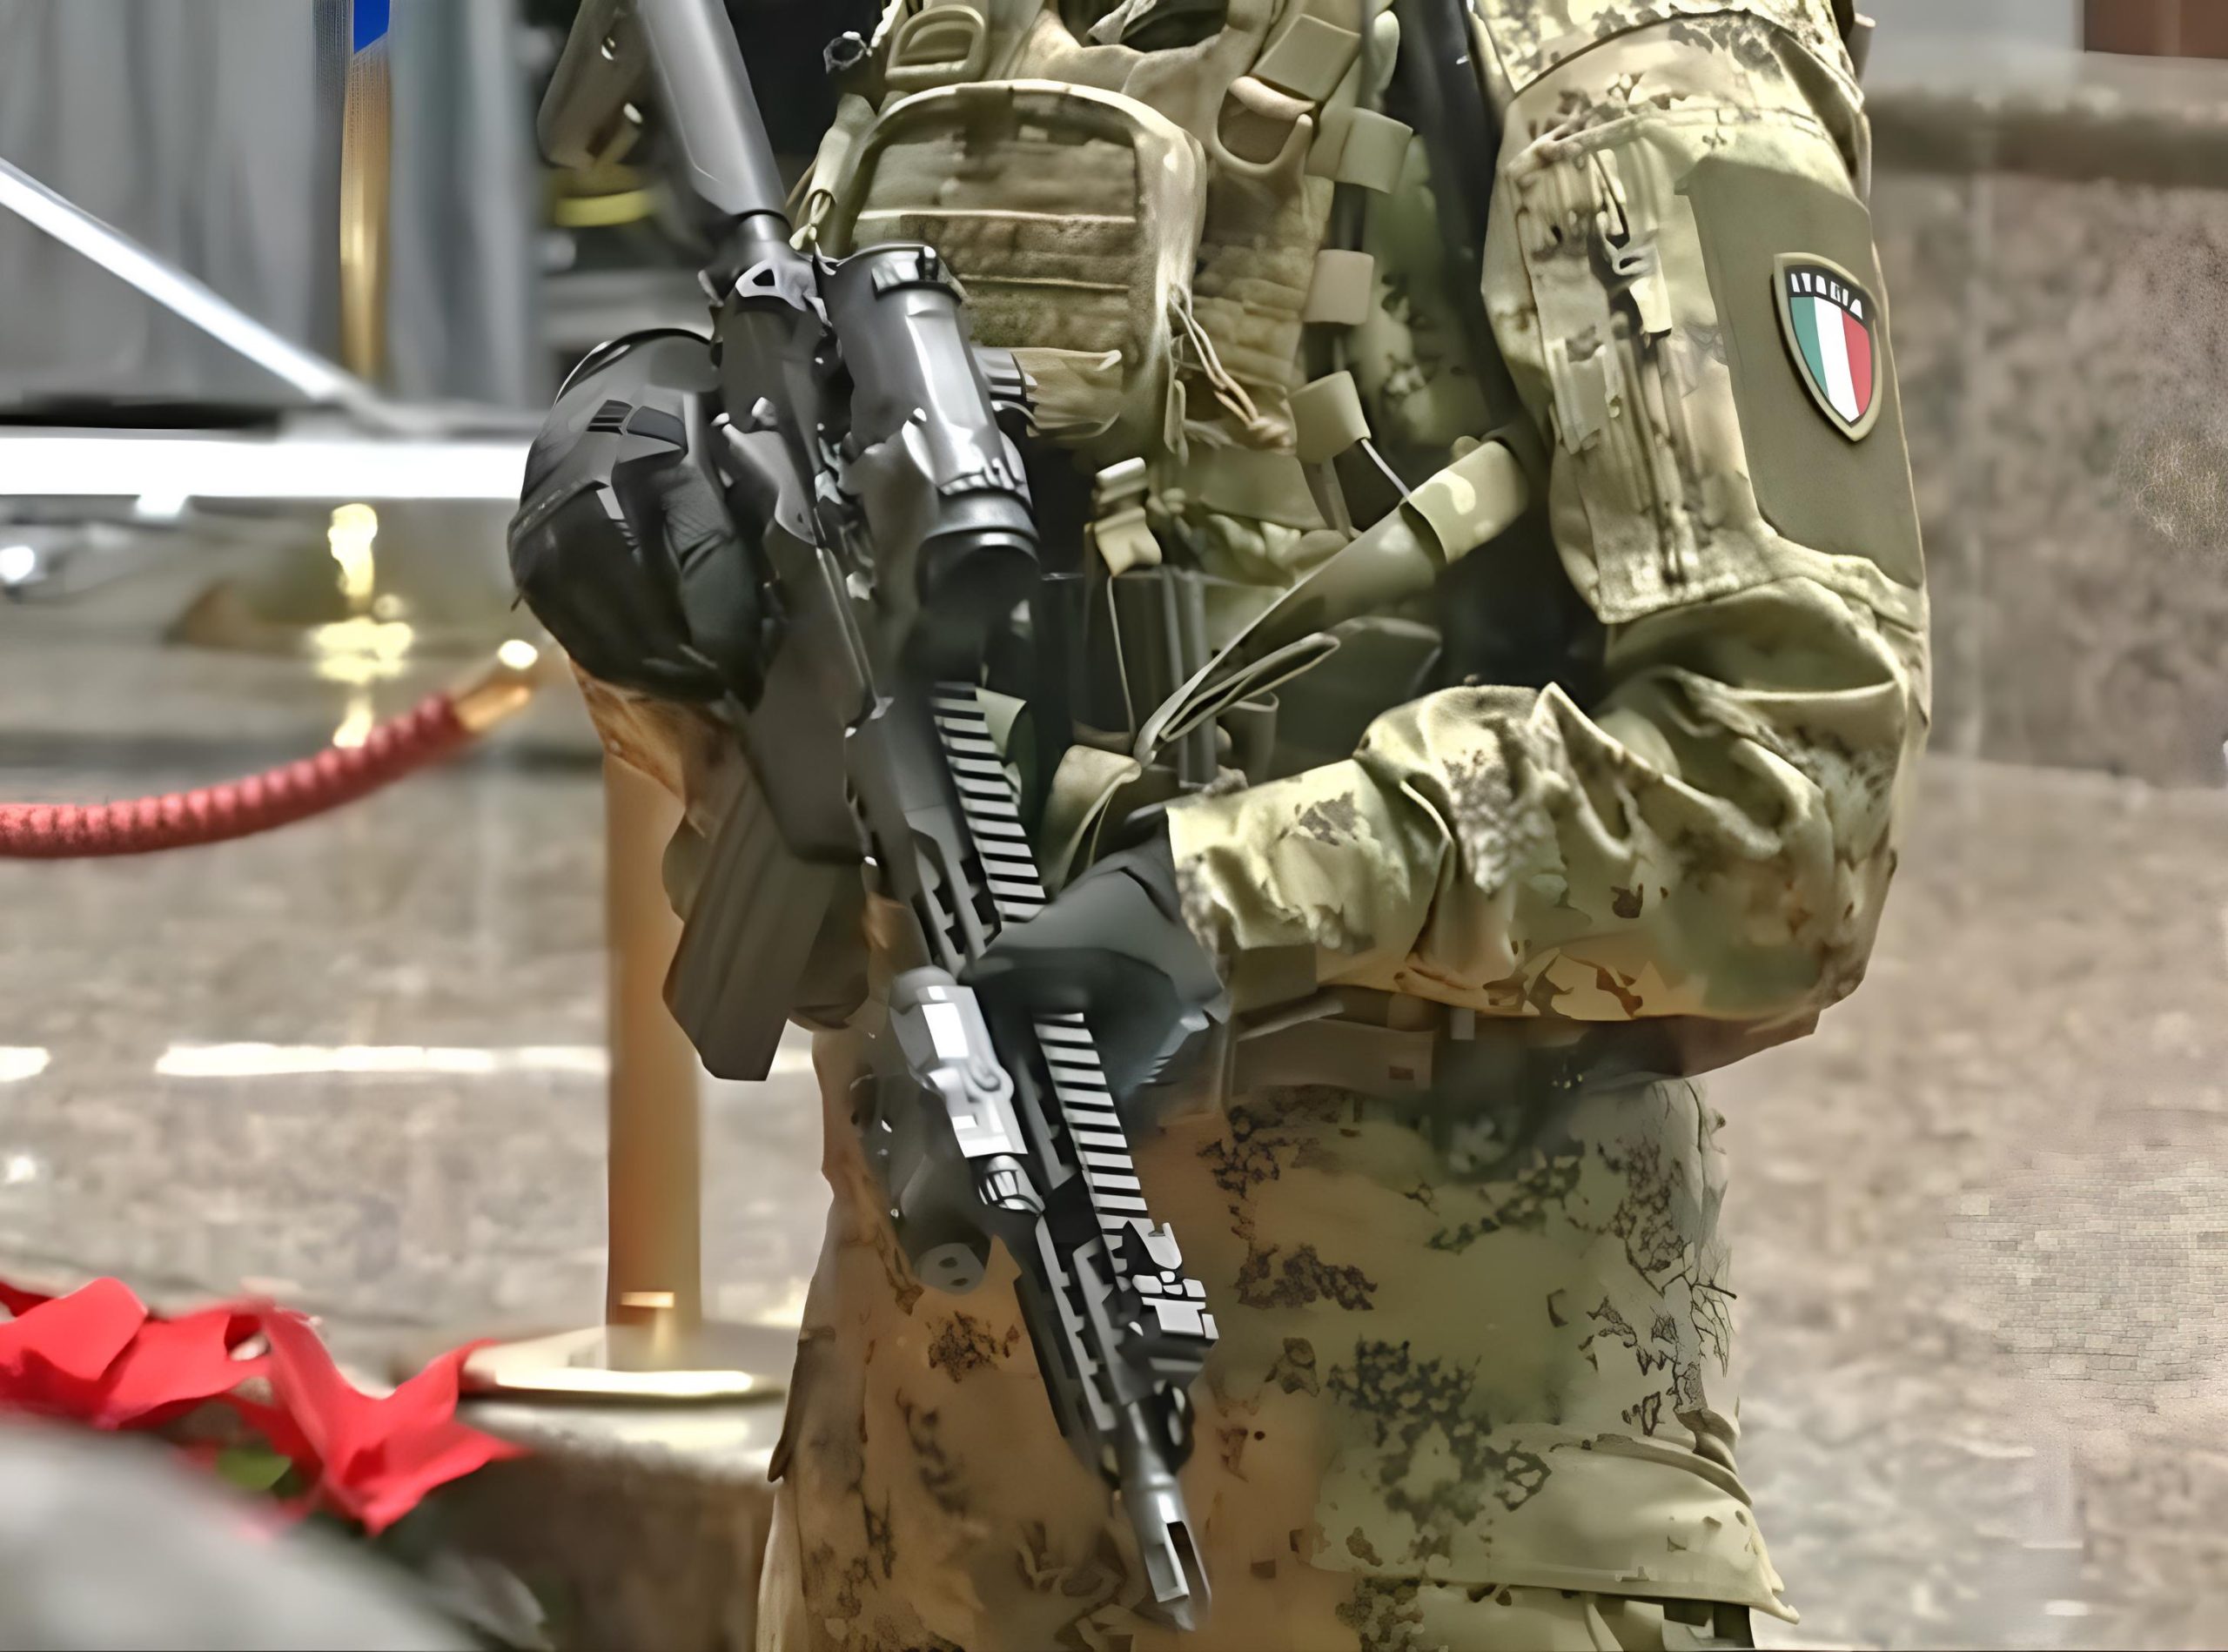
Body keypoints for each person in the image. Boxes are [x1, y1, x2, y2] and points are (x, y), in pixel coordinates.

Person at [552, 0, 1929, 1645]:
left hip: (1428, 1524)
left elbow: (1790, 797)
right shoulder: (957, 38)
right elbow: (828, 679)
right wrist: (659, 582)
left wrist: (1225, 900)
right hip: (909, 1508)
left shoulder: (1617, 55)